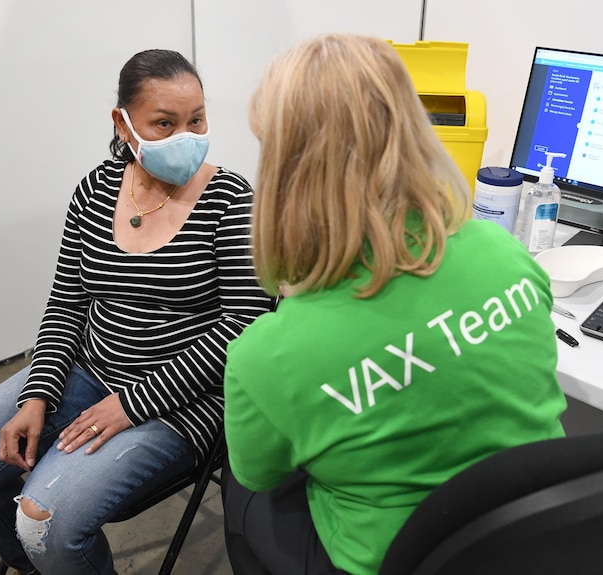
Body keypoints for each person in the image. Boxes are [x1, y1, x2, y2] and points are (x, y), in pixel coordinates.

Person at [222, 33, 568, 575]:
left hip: (391, 563)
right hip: (531, 543)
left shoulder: (266, 356)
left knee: (241, 488)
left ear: (283, 171)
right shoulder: (503, 251)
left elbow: (260, 473)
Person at [0, 49, 275, 575]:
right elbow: (66, 302)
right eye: (165, 123)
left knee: (46, 519)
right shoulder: (95, 190)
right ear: (123, 122)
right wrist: (37, 394)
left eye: (197, 119)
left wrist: (133, 404)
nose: (187, 136)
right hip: (90, 373)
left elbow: (246, 326)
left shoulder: (230, 199)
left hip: (184, 402)